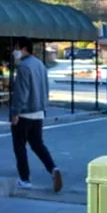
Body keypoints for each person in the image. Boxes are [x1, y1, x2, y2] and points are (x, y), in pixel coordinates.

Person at [10, 38, 63, 193]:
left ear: (24, 48)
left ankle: (24, 179)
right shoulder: (40, 65)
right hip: (39, 112)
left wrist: (15, 112)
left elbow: (21, 92)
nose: (14, 51)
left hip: (25, 113)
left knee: (20, 147)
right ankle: (53, 169)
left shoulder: (24, 67)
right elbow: (45, 88)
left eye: (16, 47)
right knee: (38, 145)